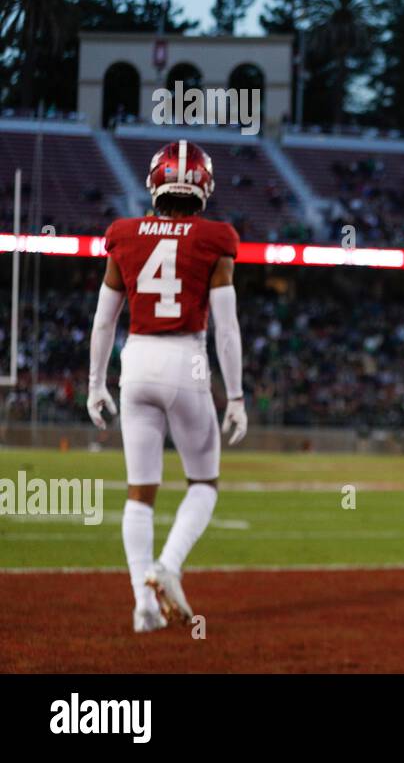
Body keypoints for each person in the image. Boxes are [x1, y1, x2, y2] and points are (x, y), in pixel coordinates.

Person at [87, 140, 247, 633]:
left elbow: (102, 323)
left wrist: (95, 383)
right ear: (204, 186)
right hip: (186, 362)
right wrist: (237, 395)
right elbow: (227, 327)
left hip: (135, 363)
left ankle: (143, 605)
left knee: (140, 493)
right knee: (203, 483)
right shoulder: (216, 237)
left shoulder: (123, 234)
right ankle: (168, 567)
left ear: (155, 183)